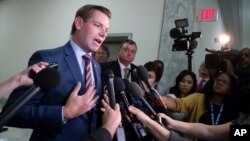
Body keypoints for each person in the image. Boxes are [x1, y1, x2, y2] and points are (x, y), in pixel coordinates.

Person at [2, 4, 112, 141]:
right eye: (97, 25)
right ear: (79, 23)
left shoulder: (96, 66)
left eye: (106, 29)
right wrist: (64, 113)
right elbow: (14, 113)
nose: (104, 33)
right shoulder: (47, 59)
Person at [161, 71, 239, 140]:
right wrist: (161, 98)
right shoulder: (198, 98)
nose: (220, 83)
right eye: (218, 80)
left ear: (230, 90)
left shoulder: (232, 109)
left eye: (224, 82)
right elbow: (178, 104)